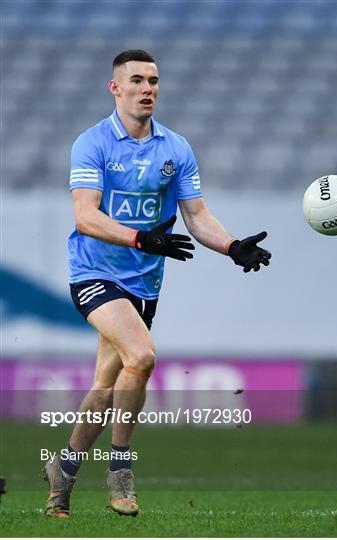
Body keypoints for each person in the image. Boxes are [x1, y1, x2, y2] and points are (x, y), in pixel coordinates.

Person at [43, 49, 271, 518]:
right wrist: (139, 238)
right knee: (142, 356)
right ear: (116, 88)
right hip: (94, 273)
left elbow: (196, 215)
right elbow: (85, 216)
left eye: (154, 80)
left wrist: (231, 247)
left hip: (144, 283)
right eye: (138, 80)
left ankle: (62, 472)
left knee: (107, 386)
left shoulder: (175, 148)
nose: (148, 88)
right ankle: (121, 474)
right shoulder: (92, 143)